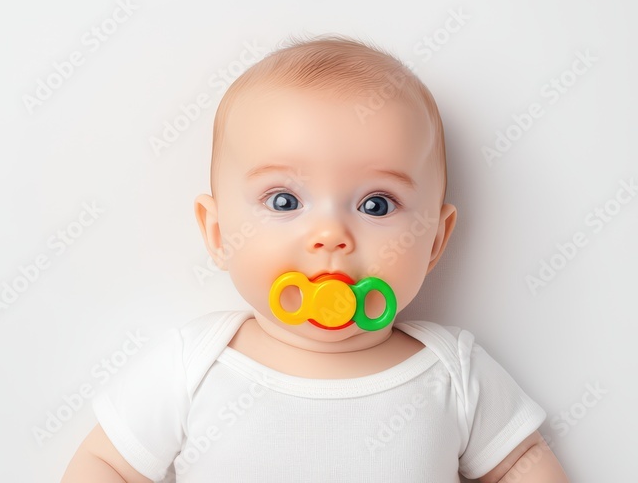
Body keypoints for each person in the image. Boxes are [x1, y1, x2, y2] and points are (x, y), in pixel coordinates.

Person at [62, 36, 570, 482]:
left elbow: (521, 463)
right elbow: (105, 465)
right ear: (218, 234)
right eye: (284, 202)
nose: (331, 236)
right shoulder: (193, 365)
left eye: (376, 204)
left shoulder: (453, 372)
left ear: (435, 241)